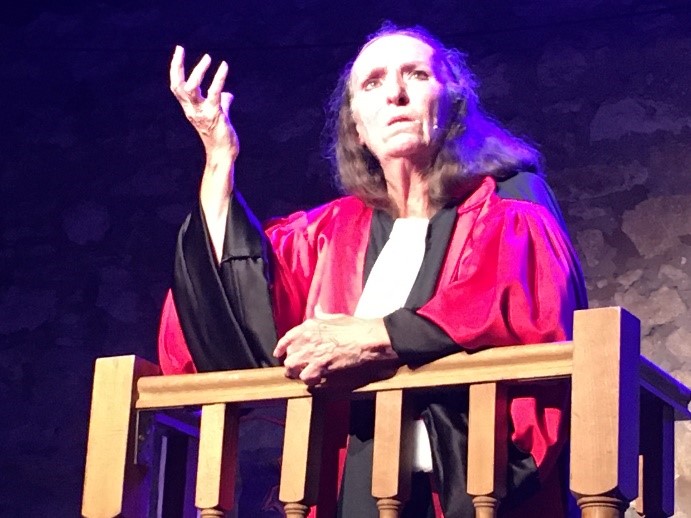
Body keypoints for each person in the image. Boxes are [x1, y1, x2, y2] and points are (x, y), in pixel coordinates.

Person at [159, 23, 587, 518]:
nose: (396, 94)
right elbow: (236, 298)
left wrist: (376, 336)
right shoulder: (330, 232)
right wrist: (219, 159)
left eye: (417, 75)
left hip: (467, 485)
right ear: (358, 128)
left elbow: (510, 303)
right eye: (373, 82)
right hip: (356, 486)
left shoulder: (508, 202)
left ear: (454, 103)